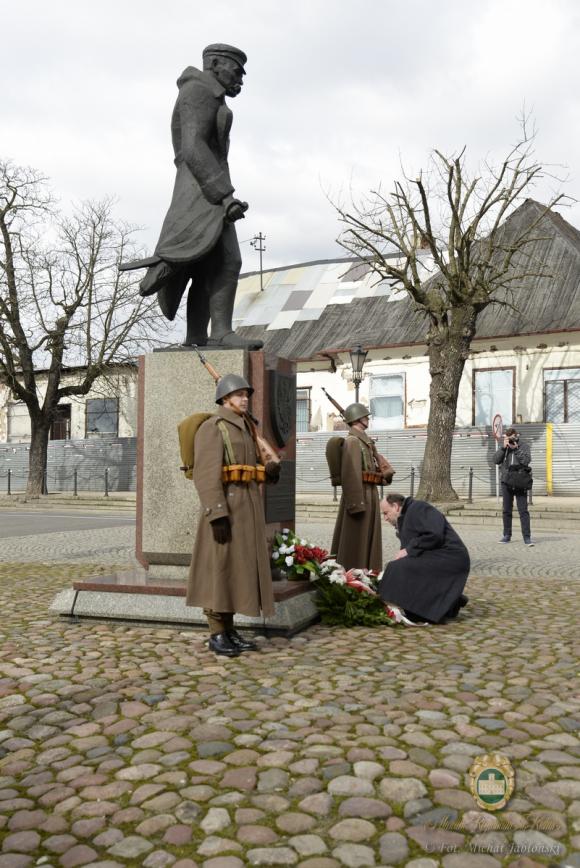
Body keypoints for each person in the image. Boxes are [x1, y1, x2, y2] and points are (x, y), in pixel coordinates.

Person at [120, 44, 261, 350]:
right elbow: (193, 147)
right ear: (214, 63)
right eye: (236, 71)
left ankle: (199, 335)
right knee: (227, 260)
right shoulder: (197, 92)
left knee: (207, 267)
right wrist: (224, 196)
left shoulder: (209, 95)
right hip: (201, 192)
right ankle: (219, 332)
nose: (240, 80)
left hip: (207, 188)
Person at [186, 374, 278, 656]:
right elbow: (205, 475)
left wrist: (269, 470)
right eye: (239, 395)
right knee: (220, 569)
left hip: (247, 508)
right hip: (225, 510)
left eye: (246, 394)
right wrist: (217, 514)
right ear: (224, 398)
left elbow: (248, 469)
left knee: (236, 572)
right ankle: (216, 632)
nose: (245, 399)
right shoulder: (213, 427)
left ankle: (228, 629)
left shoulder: (246, 428)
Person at [378, 493, 470, 624]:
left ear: (395, 506)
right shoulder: (404, 518)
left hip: (451, 556)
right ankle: (448, 603)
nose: (385, 518)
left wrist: (409, 550)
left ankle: (419, 609)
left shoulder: (419, 508)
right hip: (437, 555)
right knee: (400, 566)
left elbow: (434, 534)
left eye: (386, 513)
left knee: (398, 567)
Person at [330, 403, 387, 571]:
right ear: (357, 418)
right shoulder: (353, 441)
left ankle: (367, 572)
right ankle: (354, 574)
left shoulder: (364, 441)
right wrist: (356, 503)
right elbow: (350, 474)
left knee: (367, 537)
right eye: (365, 416)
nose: (367, 419)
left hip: (369, 493)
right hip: (360, 496)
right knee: (356, 539)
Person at [494, 427, 534, 546]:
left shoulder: (524, 446)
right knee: (506, 510)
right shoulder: (505, 448)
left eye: (512, 437)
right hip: (506, 481)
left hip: (520, 481)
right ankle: (507, 535)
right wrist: (503, 447)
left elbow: (526, 461)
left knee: (523, 511)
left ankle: (527, 537)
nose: (511, 440)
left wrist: (516, 449)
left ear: (517, 436)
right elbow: (496, 460)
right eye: (508, 437)